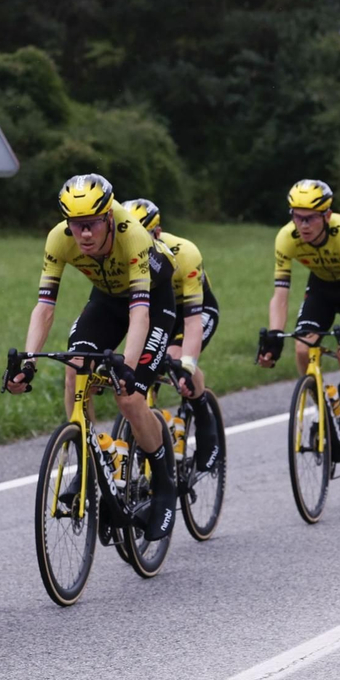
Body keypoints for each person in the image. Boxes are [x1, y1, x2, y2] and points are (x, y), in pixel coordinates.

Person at [7, 173, 179, 539]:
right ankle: (86, 463)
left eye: (91, 225)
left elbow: (140, 314)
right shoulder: (59, 239)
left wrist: (129, 370)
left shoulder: (132, 234)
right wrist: (29, 361)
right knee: (75, 366)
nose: (83, 234)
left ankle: (164, 484)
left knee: (128, 396)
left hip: (153, 300)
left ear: (109, 219)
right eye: (76, 225)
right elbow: (44, 307)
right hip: (105, 300)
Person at [258, 179, 340, 476]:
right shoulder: (286, 238)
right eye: (297, 216)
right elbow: (280, 294)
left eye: (309, 218)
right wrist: (273, 335)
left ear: (327, 215)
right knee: (301, 346)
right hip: (321, 288)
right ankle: (323, 404)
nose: (303, 225)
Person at [123, 197, 222, 473]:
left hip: (194, 309)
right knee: (141, 368)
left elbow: (192, 321)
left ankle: (204, 419)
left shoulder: (185, 253)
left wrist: (186, 364)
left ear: (157, 233)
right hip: (156, 308)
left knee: (176, 357)